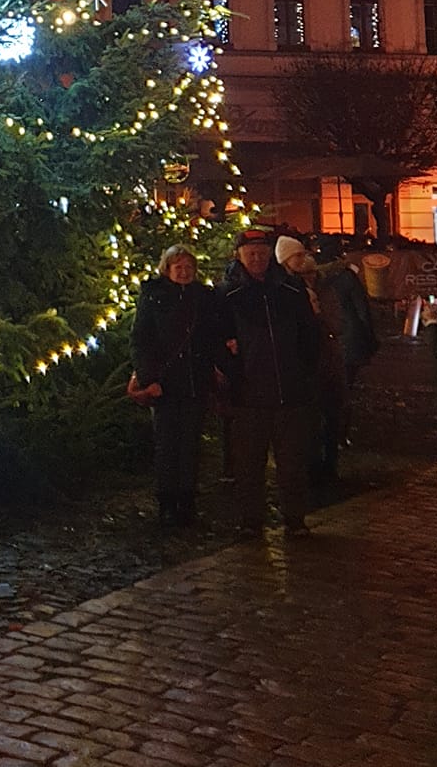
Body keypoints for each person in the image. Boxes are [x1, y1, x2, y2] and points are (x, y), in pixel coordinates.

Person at [220, 226, 322, 538]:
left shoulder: (290, 290)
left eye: (262, 253)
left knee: (292, 462)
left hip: (290, 391)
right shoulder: (227, 294)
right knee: (249, 465)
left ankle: (295, 519)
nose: (257, 258)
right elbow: (216, 340)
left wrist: (304, 371)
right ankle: (251, 522)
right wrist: (232, 368)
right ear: (239, 256)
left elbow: (309, 334)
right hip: (248, 395)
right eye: (250, 253)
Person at [130, 244, 222, 527]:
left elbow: (212, 337)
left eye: (188, 267)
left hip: (195, 379)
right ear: (167, 268)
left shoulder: (204, 298)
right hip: (166, 383)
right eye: (178, 266)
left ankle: (187, 499)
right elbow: (141, 340)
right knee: (167, 444)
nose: (183, 272)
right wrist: (150, 378)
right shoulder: (154, 296)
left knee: (190, 444)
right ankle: (167, 500)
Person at [276, 232, 377, 480]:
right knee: (313, 415)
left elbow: (339, 321)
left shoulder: (329, 287)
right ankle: (314, 464)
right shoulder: (286, 290)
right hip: (310, 362)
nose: (306, 274)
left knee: (332, 409)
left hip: (331, 355)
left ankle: (329, 461)